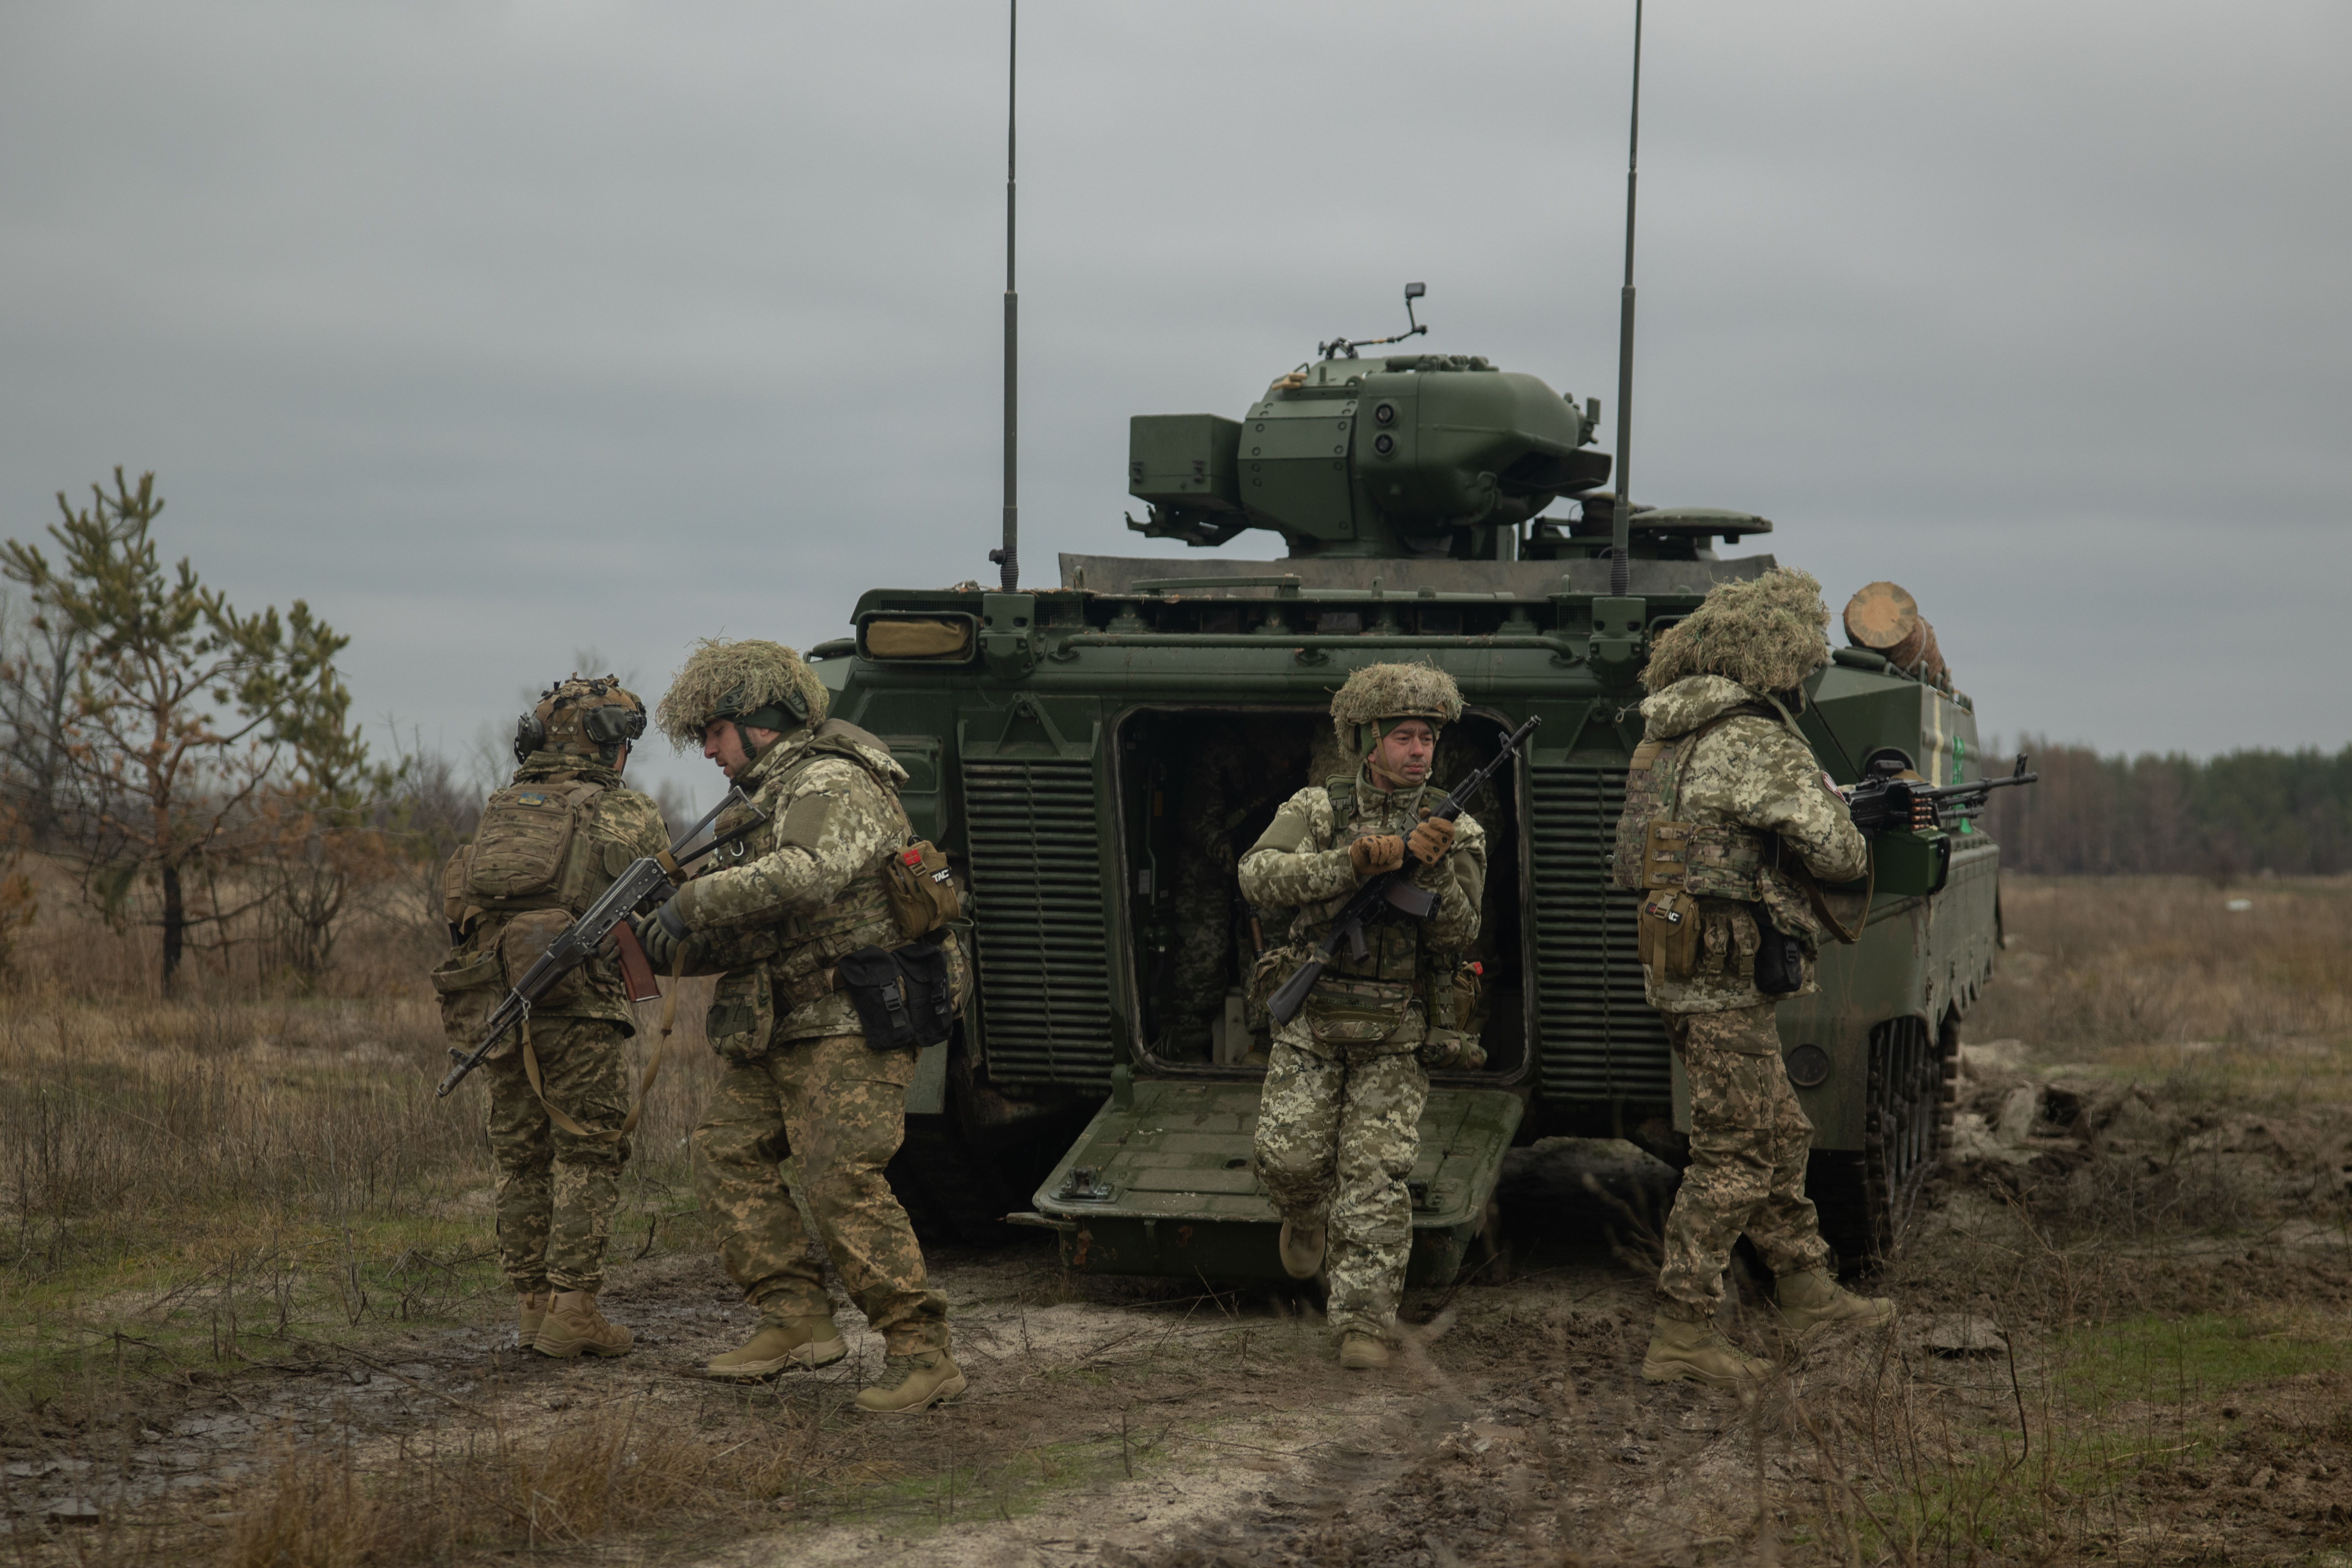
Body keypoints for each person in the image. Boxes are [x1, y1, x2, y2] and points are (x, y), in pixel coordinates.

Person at [632, 638, 962, 1414]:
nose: (707, 749)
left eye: (713, 730)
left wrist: (690, 904)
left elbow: (806, 872)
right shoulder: (762, 802)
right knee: (725, 1151)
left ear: (760, 718)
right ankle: (796, 1319)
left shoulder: (829, 780)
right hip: (783, 1023)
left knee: (839, 1179)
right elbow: (763, 921)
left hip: (848, 1018)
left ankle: (922, 1352)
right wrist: (668, 941)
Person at [1610, 567, 1896, 1390]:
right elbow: (1837, 853)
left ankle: (1803, 1282)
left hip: (1679, 964)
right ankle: (1681, 1328)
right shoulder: (1756, 736)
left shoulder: (1662, 737)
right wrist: (1837, 812)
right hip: (1728, 976)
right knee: (1734, 1151)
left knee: (1776, 1128)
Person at [1238, 663, 1487, 1371]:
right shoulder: (1316, 808)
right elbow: (1257, 875)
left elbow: (1461, 935)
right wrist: (1348, 865)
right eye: (1403, 736)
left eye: (1428, 738)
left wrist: (1429, 871)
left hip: (1398, 1025)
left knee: (1375, 1175)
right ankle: (1303, 1212)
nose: (1419, 750)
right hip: (1311, 1017)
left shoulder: (1456, 826)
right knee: (1288, 1161)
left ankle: (1364, 1324)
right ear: (1367, 741)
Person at [432, 675, 670, 1359]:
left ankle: (533, 1308)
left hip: (500, 1008)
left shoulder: (502, 810)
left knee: (521, 1155)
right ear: (608, 746)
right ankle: (575, 1310)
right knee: (588, 1151)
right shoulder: (627, 815)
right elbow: (666, 912)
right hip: (584, 1010)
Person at [1167, 717, 1309, 1057]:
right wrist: (1224, 851)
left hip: (1274, 864)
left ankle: (1266, 1036)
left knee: (1268, 943)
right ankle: (1190, 1045)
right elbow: (1195, 816)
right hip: (1209, 864)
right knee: (1201, 954)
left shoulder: (1307, 758)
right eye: (1279, 757)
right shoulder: (1221, 752)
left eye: (1290, 758)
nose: (1285, 763)